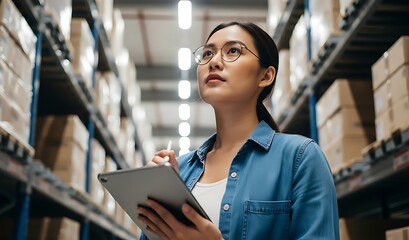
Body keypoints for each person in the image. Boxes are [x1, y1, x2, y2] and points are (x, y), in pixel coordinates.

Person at [137, 21, 339, 240]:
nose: (214, 62)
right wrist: (165, 197)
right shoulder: (182, 170)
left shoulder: (300, 158)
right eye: (207, 54)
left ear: (266, 76)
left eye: (233, 51)